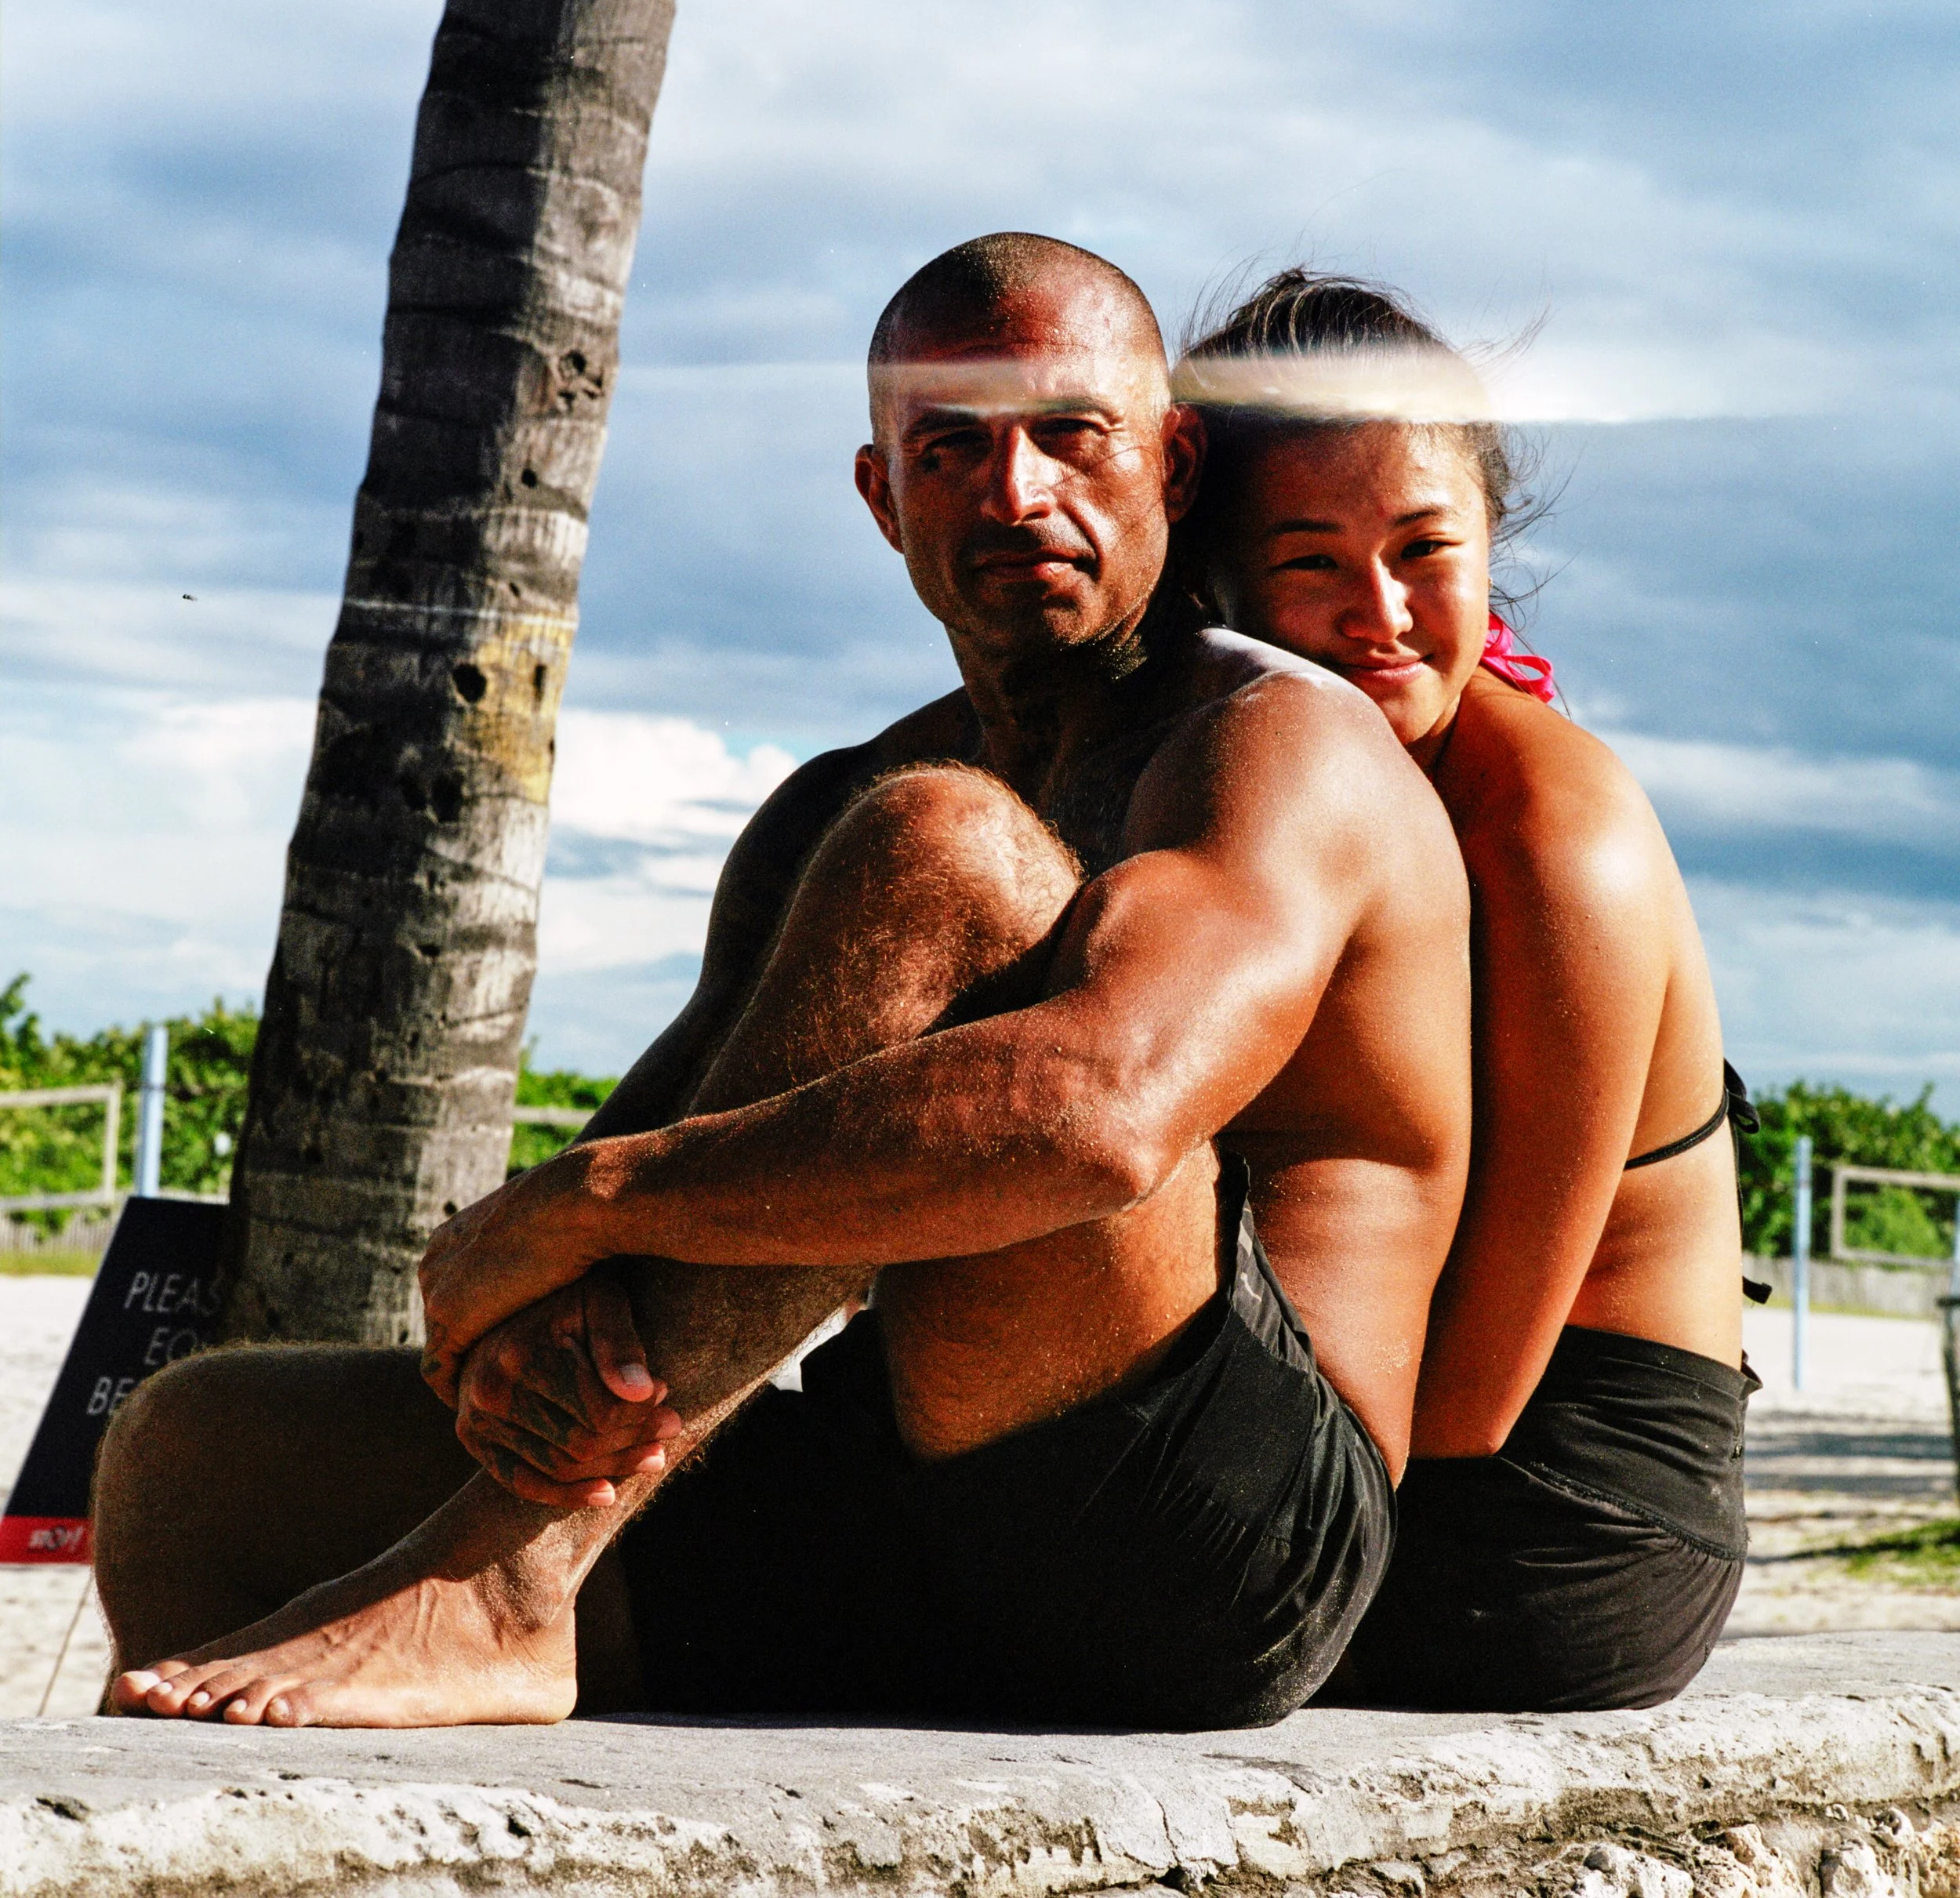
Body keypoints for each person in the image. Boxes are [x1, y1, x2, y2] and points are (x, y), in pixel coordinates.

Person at [93, 234, 1472, 1732]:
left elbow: (1099, 1122)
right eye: (951, 449)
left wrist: (579, 1209)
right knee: (198, 1457)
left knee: (943, 849)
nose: (1015, 493)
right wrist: (530, 1339)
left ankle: (508, 1588)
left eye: (1071, 435)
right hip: (906, 1493)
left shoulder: (1276, 743)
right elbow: (689, 1116)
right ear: (883, 499)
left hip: (1221, 1546)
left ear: (1174, 461)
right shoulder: (836, 799)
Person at [1175, 271, 1759, 1711]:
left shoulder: (1559, 845)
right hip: (1378, 1441)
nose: (1378, 614)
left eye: (1424, 549)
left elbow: (1471, 1404)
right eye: (1309, 561)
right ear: (1218, 582)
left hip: (1564, 1521)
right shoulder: (1266, 784)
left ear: (1492, 543)